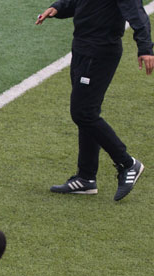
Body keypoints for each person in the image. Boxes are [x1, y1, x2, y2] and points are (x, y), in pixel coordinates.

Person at [36, 0, 154, 201]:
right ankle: (86, 178)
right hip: (82, 48)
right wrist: (59, 7)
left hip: (100, 53)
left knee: (84, 112)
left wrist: (145, 48)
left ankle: (127, 163)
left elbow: (136, 13)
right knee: (86, 113)